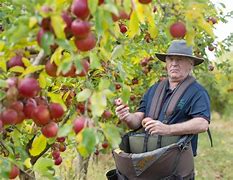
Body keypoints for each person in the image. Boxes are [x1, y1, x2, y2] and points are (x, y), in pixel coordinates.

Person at [115, 39, 210, 158]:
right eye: (170, 59)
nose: (174, 63)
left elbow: (202, 124)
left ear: (191, 64)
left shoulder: (197, 92)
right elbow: (137, 120)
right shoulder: (154, 89)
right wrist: (127, 116)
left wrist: (167, 129)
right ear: (166, 62)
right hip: (147, 157)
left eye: (179, 59)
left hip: (176, 160)